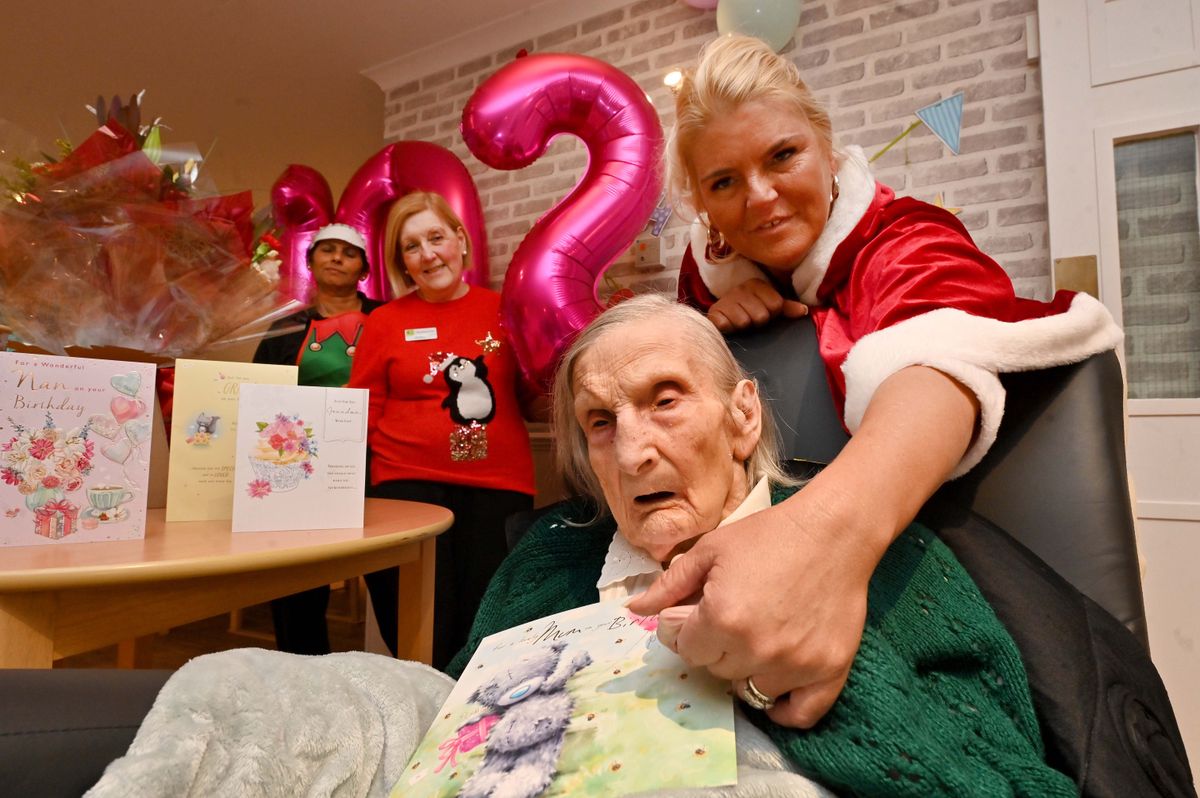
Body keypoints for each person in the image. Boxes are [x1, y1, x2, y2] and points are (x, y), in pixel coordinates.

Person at [625, 34, 1123, 728]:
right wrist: (709, 321)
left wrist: (823, 545)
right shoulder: (707, 273)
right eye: (724, 182)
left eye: (782, 156)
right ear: (704, 208)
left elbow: (938, 358)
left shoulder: (908, 237)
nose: (760, 197)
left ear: (827, 149)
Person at [449, 294, 1076, 796]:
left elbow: (1006, 780)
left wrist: (780, 668)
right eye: (601, 423)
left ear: (742, 417)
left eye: (665, 401)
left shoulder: (884, 556)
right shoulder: (549, 560)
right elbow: (442, 729)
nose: (634, 453)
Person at [349, 191, 535, 670]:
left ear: (461, 240)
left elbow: (532, 392)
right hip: (403, 489)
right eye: (412, 247)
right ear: (403, 263)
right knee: (415, 631)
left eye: (436, 237)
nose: (428, 254)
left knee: (487, 629)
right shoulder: (385, 322)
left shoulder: (505, 310)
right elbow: (362, 411)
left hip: (497, 491)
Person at [253, 222, 382, 655]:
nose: (336, 258)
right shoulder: (286, 330)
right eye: (326, 250)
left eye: (347, 252)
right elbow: (261, 393)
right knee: (298, 573)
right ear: (309, 263)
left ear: (363, 268)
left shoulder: (387, 319)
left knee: (385, 568)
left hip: (375, 459)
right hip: (298, 464)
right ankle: (300, 663)